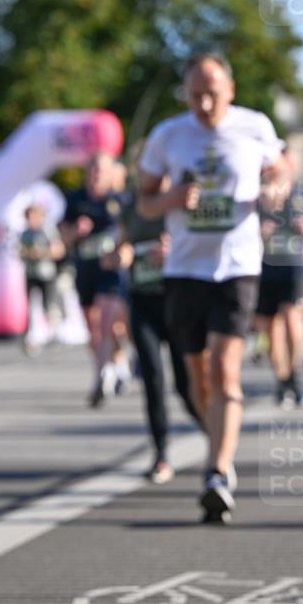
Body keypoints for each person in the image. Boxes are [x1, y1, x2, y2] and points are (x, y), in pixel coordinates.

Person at [138, 53, 285, 522]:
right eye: (195, 94)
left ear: (231, 89)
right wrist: (171, 199)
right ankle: (217, 435)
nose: (203, 103)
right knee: (197, 379)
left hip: (238, 266)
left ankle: (217, 471)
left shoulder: (254, 126)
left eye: (213, 93)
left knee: (225, 371)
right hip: (184, 270)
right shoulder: (168, 135)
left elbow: (281, 167)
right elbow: (144, 203)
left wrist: (275, 188)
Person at [108, 160, 200, 483]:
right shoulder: (132, 208)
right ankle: (161, 453)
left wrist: (175, 250)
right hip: (142, 300)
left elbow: (204, 245)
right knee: (152, 378)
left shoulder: (184, 200)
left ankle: (212, 430)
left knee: (186, 385)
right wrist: (120, 255)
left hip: (176, 298)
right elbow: (119, 248)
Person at [59, 153, 127, 407]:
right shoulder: (75, 200)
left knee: (108, 321)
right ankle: (112, 366)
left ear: (110, 174)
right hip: (85, 268)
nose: (97, 175)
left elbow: (130, 233)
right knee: (94, 328)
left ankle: (103, 377)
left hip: (111, 271)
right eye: (93, 170)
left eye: (102, 170)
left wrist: (120, 251)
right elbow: (63, 237)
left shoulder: (119, 201)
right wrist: (75, 232)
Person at [255, 156, 303, 407]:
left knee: (292, 316)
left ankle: (295, 375)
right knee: (271, 328)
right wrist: (259, 230)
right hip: (264, 265)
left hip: (294, 265)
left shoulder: (302, 195)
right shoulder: (256, 196)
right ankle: (282, 380)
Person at [19, 203, 65, 354]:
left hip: (46, 273)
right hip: (31, 273)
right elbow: (20, 252)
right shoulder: (25, 233)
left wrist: (41, 253)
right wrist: (27, 254)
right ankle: (32, 336)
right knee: (31, 304)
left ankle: (53, 332)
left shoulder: (47, 231)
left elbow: (58, 250)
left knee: (48, 304)